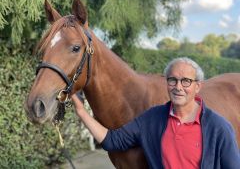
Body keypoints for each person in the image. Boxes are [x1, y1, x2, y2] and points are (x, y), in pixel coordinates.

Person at [71, 57, 240, 169]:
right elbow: (113, 140)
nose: (178, 87)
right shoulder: (152, 119)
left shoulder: (219, 127)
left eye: (186, 81)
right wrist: (81, 111)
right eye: (173, 80)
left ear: (198, 86)